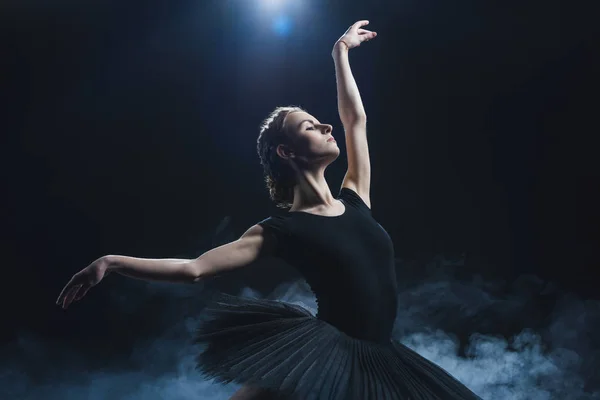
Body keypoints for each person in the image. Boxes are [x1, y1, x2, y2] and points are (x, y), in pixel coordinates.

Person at [56, 21, 482, 400]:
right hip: (327, 352)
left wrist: (340, 53)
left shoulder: (356, 195)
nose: (327, 126)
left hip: (382, 358)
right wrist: (111, 262)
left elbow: (355, 120)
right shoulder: (280, 230)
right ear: (287, 151)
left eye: (321, 120)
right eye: (310, 126)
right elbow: (194, 269)